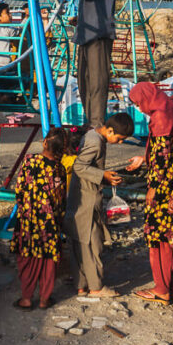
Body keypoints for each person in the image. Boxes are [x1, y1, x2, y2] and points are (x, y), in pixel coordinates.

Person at [128, 82, 173, 306]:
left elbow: (163, 158)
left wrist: (154, 188)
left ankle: (162, 289)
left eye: (138, 103)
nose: (139, 108)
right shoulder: (172, 109)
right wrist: (144, 158)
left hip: (165, 189)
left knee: (160, 240)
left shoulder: (161, 119)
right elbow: (171, 153)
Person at [65, 112, 134, 299]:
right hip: (86, 199)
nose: (119, 143)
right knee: (91, 245)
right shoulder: (96, 141)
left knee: (79, 242)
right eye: (119, 139)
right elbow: (80, 167)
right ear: (109, 130)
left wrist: (104, 177)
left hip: (80, 197)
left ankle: (81, 285)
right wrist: (103, 175)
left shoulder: (92, 135)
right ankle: (95, 287)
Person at [46, 0, 116, 128]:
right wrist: (81, 19)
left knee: (97, 82)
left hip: (98, 36)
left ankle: (97, 123)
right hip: (86, 34)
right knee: (84, 82)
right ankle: (90, 121)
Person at [11, 127, 69, 310]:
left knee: (27, 258)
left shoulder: (30, 161)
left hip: (29, 220)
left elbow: (19, 189)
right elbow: (61, 199)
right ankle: (45, 299)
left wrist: (23, 208)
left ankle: (26, 299)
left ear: (45, 142)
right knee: (48, 261)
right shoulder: (59, 169)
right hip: (50, 222)